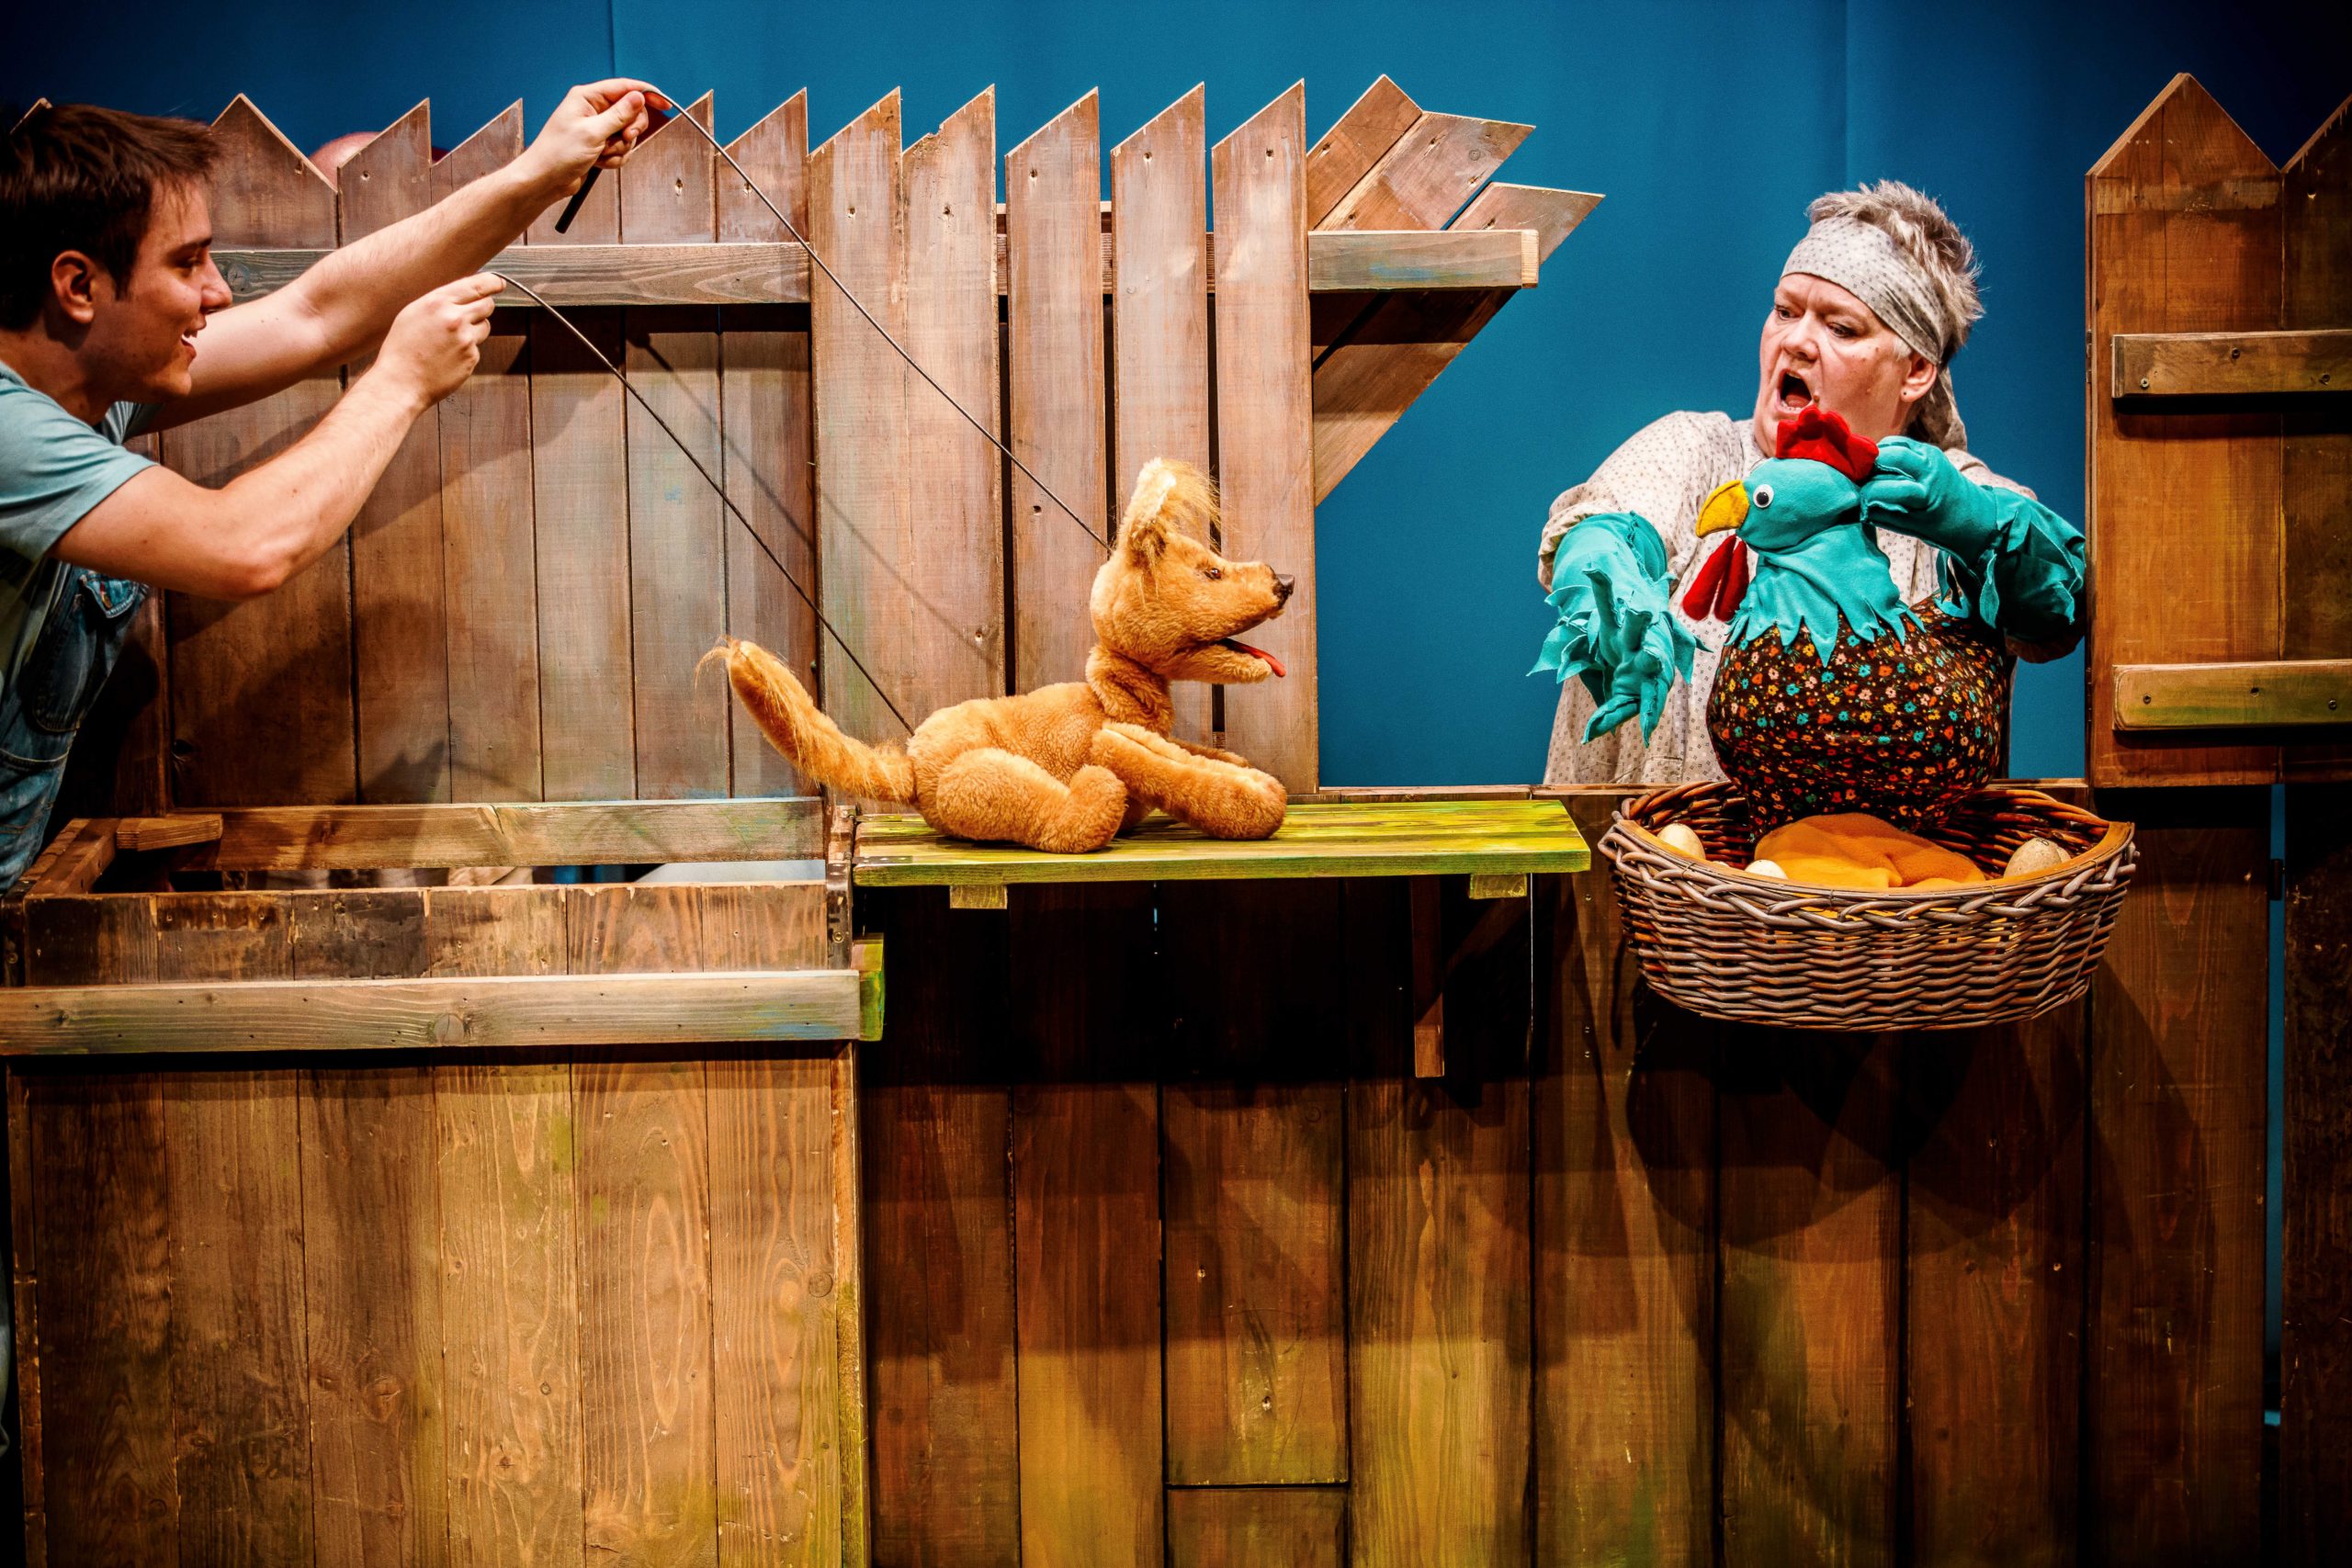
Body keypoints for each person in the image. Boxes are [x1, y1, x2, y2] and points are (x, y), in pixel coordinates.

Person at [0, 84, 663, 885]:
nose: (217, 291)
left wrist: (538, 176)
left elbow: (317, 314)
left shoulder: (81, 390)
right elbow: (243, 546)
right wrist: (400, 383)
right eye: (186, 262)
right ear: (79, 287)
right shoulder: (9, 435)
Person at [1532, 180, 2084, 787]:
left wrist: (1976, 526)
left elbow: (2059, 610)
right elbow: (1603, 527)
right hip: (1649, 847)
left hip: (1890, 852)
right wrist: (1604, 571)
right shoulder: (1696, 451)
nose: (1795, 340)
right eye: (1785, 311)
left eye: (1840, 328)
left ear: (1916, 371)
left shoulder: (1948, 495)